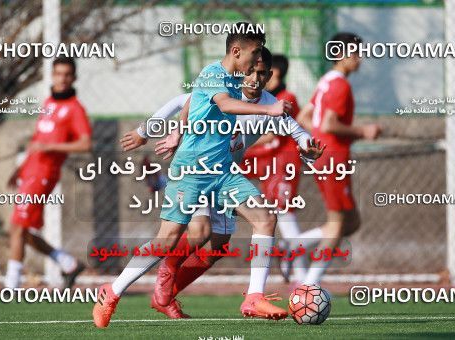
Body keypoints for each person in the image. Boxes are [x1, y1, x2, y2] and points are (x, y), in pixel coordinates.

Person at [93, 22, 295, 328]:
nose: (257, 63)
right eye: (254, 54)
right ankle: (113, 290)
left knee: (261, 220)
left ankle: (253, 297)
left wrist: (305, 141)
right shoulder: (215, 74)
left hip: (224, 171)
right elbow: (215, 103)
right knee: (169, 240)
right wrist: (158, 131)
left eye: (260, 61)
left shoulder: (244, 84)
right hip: (193, 168)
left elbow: (191, 106)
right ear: (236, 51)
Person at [120, 47, 324, 318]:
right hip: (198, 167)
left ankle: (166, 292)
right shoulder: (225, 95)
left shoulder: (269, 104)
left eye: (261, 73)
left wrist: (307, 148)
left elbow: (298, 132)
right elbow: (182, 101)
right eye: (250, 71)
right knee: (200, 231)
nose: (254, 78)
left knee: (219, 246)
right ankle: (166, 277)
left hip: (225, 176)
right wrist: (146, 131)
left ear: (269, 77)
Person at [296, 32, 381, 286]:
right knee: (337, 224)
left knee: (351, 222)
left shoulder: (326, 81)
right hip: (333, 158)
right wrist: (362, 131)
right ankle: (310, 286)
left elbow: (305, 118)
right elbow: (330, 123)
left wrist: (320, 137)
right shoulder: (340, 85)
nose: (359, 58)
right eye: (354, 53)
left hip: (325, 157)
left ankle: (294, 245)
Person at [5, 57, 91, 289]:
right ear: (52, 76)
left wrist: (52, 147)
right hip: (30, 171)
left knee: (19, 227)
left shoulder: (75, 109)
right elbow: (38, 141)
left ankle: (10, 285)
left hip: (44, 174)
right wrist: (19, 169)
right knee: (20, 229)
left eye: (66, 74)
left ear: (73, 78)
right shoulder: (49, 103)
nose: (61, 79)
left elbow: (85, 144)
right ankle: (67, 263)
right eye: (58, 74)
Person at [243, 54, 306, 284]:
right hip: (267, 164)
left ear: (275, 74)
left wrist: (240, 140)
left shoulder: (286, 99)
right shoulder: (265, 101)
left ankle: (302, 275)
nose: (258, 79)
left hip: (284, 165)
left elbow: (273, 134)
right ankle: (294, 262)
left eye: (263, 74)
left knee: (285, 215)